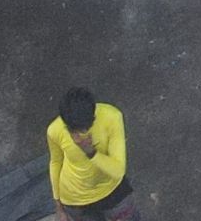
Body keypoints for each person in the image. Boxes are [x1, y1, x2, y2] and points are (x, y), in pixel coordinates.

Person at [45, 87, 136, 218]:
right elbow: (55, 163)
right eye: (75, 130)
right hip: (75, 199)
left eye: (87, 127)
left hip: (113, 191)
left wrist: (91, 153)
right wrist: (59, 206)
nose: (82, 133)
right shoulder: (54, 130)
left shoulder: (112, 117)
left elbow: (118, 171)